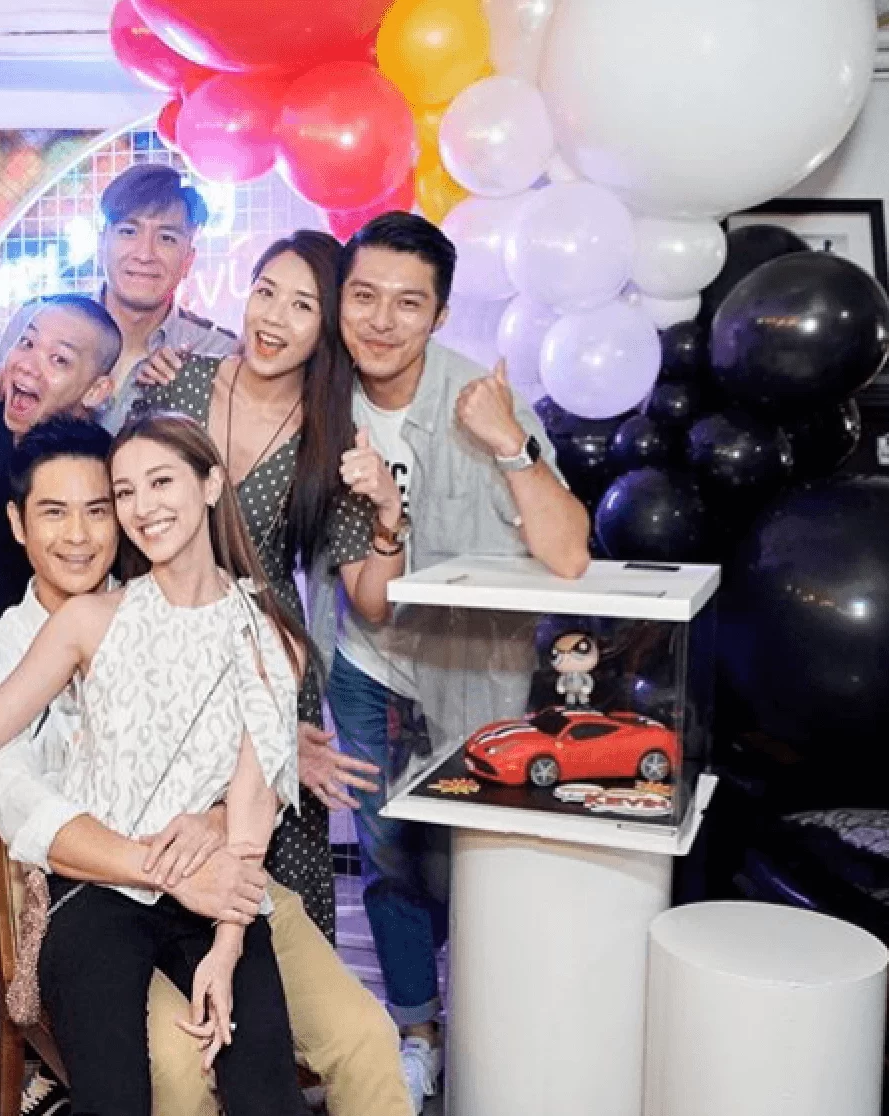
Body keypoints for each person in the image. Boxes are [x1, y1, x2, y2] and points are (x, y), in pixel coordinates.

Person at [0, 416, 415, 1116]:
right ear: (18, 523)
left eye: (99, 508)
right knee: (179, 1066)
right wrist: (171, 866)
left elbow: (241, 765)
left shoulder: (196, 618)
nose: (79, 534)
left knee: (367, 1039)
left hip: (231, 880)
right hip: (101, 892)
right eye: (54, 512)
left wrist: (244, 788)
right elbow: (30, 813)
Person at [0, 413, 316, 1116]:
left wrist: (228, 946)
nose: (143, 507)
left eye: (161, 482)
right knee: (115, 1098)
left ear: (211, 484)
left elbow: (249, 808)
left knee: (267, 1095)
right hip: (96, 894)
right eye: (126, 492)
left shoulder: (272, 639)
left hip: (212, 893)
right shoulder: (90, 619)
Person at [325, 212, 592, 1110]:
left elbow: (568, 554)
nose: (381, 321)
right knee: (390, 857)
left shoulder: (479, 399)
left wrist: (509, 444)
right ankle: (419, 1032)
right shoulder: (319, 400)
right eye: (364, 296)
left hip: (476, 672)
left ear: (439, 315)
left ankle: (495, 1030)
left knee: (478, 865)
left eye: (408, 303)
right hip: (367, 664)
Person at [134, 230, 403, 941]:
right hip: (166, 651)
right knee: (166, 864)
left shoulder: (333, 438)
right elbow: (121, 513)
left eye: (302, 305)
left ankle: (285, 1015)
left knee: (275, 896)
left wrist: (388, 512)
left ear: (327, 329)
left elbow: (372, 600)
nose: (273, 317)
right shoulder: (178, 383)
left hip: (269, 664)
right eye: (265, 292)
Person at [0, 164, 237, 429]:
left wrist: (188, 391)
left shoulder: (216, 352)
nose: (144, 254)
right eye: (128, 232)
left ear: (189, 259)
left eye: (166, 238)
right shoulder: (38, 320)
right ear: (101, 243)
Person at [0, 292, 122, 619]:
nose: (28, 366)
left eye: (59, 359)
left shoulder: (111, 469)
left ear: (96, 390)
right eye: (27, 343)